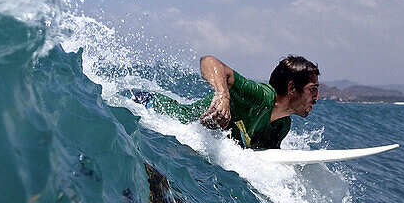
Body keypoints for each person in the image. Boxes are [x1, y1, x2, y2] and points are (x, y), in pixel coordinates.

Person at [132, 54, 320, 150]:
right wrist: (223, 95)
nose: (317, 97)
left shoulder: (282, 125)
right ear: (292, 89)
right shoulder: (260, 96)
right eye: (312, 89)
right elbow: (209, 60)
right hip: (153, 111)